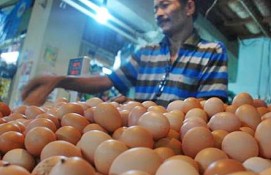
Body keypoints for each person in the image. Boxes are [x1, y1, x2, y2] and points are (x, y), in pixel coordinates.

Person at [21, 0, 229, 107]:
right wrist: (59, 80)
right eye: (155, 8)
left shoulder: (212, 52)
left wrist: (137, 106)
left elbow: (208, 110)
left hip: (180, 152)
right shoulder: (147, 53)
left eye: (164, 5)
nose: (157, 13)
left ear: (189, 7)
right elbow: (107, 81)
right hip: (138, 144)